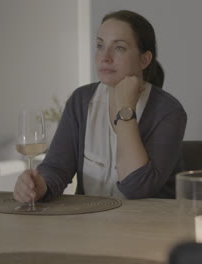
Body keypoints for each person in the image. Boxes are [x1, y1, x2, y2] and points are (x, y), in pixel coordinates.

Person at [13, 10, 187, 202]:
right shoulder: (81, 100)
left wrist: (125, 109)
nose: (105, 57)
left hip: (148, 228)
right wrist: (40, 186)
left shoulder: (169, 111)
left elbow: (137, 188)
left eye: (119, 48)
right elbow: (56, 168)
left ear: (144, 60)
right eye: (100, 45)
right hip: (88, 225)